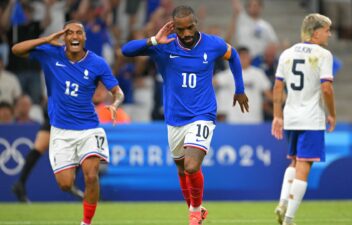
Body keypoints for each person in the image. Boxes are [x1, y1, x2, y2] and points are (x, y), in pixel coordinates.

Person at [122, 5, 249, 225]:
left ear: (196, 24)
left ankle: (194, 213)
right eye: (181, 30)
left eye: (190, 27)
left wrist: (239, 88)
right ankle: (195, 210)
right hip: (174, 118)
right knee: (181, 169)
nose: (187, 33)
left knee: (191, 165)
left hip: (202, 114)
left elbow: (234, 55)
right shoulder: (164, 46)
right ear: (174, 28)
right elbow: (126, 50)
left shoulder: (213, 44)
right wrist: (153, 40)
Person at [12, 20, 124, 225]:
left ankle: (86, 222)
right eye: (69, 32)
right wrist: (46, 39)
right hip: (61, 131)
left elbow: (118, 91)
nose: (74, 36)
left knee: (91, 175)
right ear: (64, 36)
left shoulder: (97, 62)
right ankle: (72, 188)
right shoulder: (49, 53)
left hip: (89, 128)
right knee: (64, 185)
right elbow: (16, 50)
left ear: (84, 37)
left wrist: (115, 104)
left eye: (78, 33)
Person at [272, 13, 336, 225]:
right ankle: (289, 219)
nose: (329, 34)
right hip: (311, 118)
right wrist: (332, 113)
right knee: (304, 164)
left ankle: (282, 202)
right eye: (326, 30)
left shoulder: (286, 54)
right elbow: (326, 88)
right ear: (315, 32)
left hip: (290, 116)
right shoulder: (323, 54)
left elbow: (278, 87)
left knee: (293, 161)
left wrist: (277, 116)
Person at [12, 104, 84, 203]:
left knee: (38, 149)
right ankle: (20, 184)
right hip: (63, 114)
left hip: (61, 113)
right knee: (39, 148)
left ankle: (20, 183)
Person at [215, 46, 272, 123]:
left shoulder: (258, 74)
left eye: (245, 56)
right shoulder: (229, 73)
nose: (243, 59)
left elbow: (269, 94)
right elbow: (212, 82)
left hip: (255, 120)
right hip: (234, 121)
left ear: (250, 57)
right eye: (241, 57)